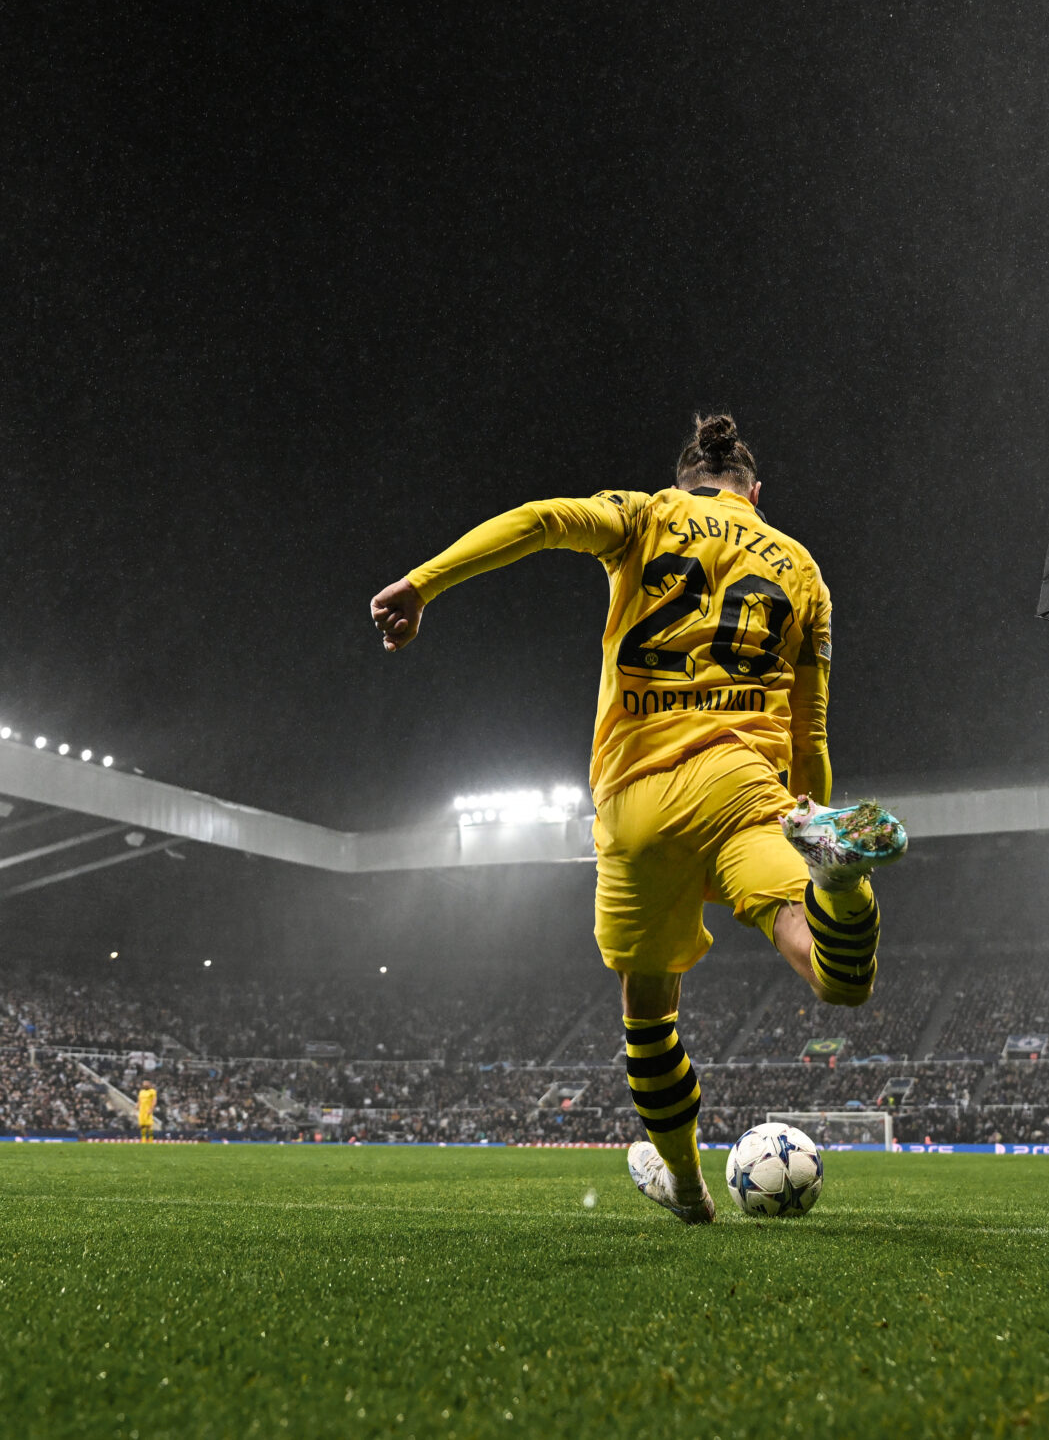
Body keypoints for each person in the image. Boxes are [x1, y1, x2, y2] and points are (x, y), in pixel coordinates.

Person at [371, 413, 880, 1225]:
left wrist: (423, 582)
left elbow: (539, 521)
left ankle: (686, 1187)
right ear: (757, 492)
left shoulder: (645, 513)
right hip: (749, 790)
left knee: (650, 1010)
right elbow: (809, 731)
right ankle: (840, 885)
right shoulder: (805, 569)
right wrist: (810, 813)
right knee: (830, 968)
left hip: (638, 800)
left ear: (686, 479)